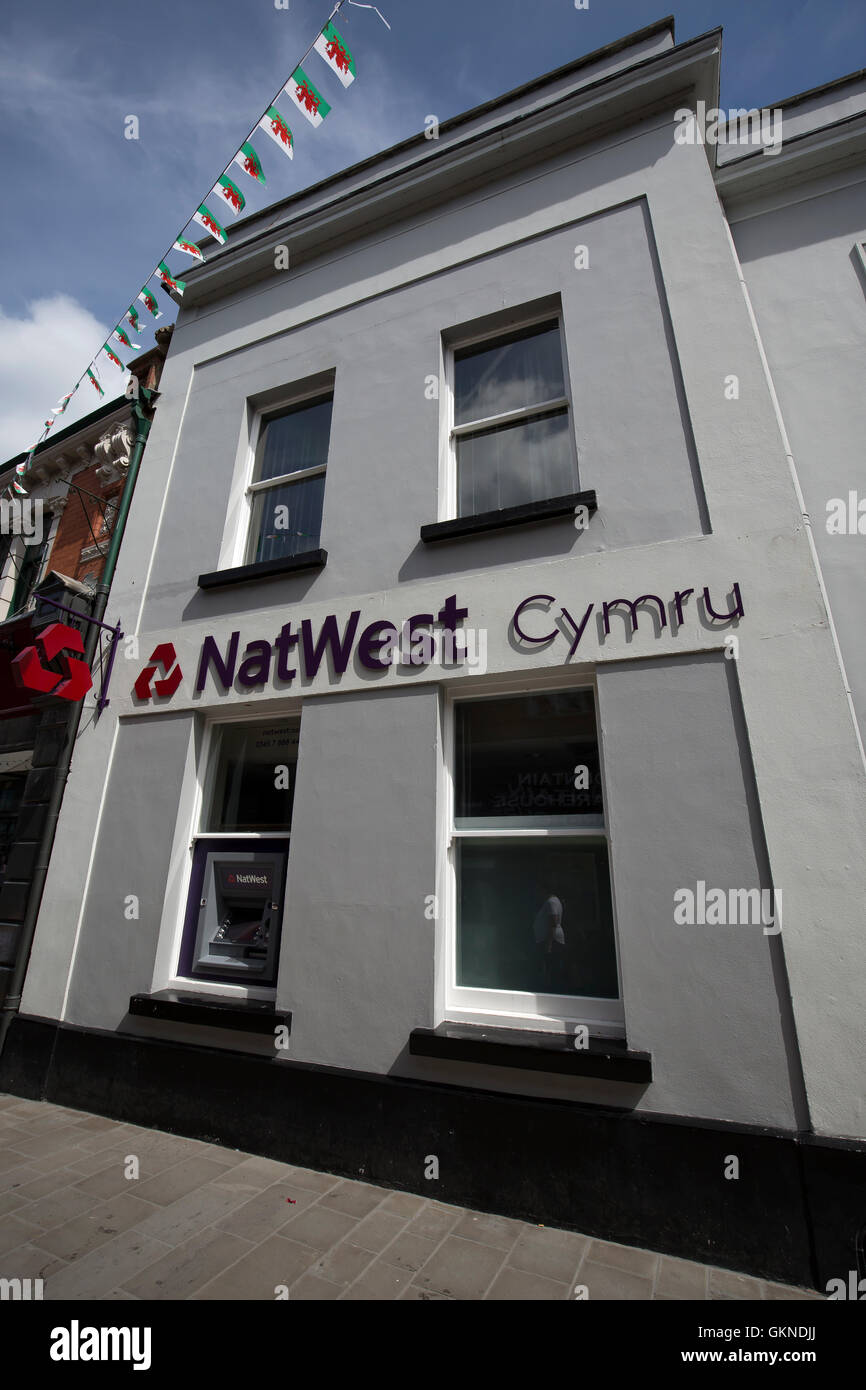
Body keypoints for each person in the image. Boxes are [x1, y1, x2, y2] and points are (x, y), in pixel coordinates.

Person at [532, 892, 565, 992]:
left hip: (551, 940)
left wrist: (549, 944)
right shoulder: (553, 901)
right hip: (549, 939)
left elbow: (553, 922)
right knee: (550, 965)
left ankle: (551, 989)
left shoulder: (551, 902)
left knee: (550, 966)